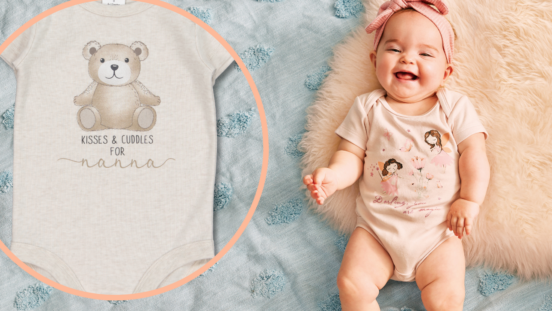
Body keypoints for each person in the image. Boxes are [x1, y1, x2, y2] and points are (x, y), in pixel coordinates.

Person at [303, 1, 490, 310]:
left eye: (425, 53)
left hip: (438, 234)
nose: (408, 58)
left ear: (446, 71)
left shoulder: (453, 107)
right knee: (352, 283)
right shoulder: (367, 108)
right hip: (377, 232)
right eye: (394, 50)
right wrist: (333, 176)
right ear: (375, 59)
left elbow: (474, 153)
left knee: (446, 296)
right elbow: (351, 155)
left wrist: (470, 200)